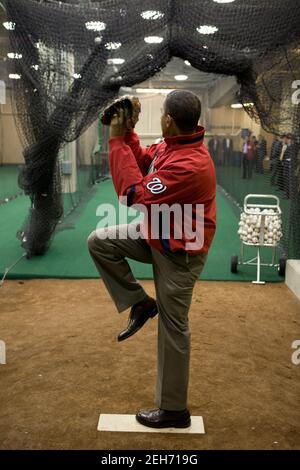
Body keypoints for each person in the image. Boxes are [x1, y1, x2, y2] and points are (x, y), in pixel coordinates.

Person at [87, 90, 216, 429]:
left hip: (180, 256)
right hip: (157, 236)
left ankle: (174, 410)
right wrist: (128, 134)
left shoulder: (190, 164)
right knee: (100, 241)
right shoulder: (173, 146)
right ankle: (139, 303)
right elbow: (145, 160)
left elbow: (133, 195)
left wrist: (115, 141)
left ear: (169, 120)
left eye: (162, 114)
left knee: (173, 328)